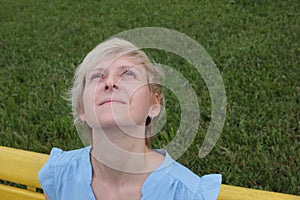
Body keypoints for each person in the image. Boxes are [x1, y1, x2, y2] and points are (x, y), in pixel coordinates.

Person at [38, 37, 221, 200]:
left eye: (128, 74)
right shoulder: (58, 175)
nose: (110, 83)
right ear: (81, 109)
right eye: (97, 76)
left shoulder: (187, 194)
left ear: (154, 104)